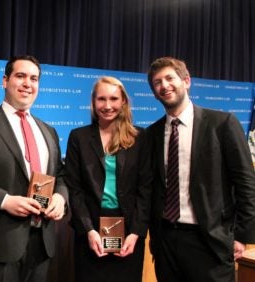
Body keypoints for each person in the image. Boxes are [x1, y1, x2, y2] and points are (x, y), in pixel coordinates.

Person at [0, 55, 68, 282]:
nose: (28, 83)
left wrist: (60, 196)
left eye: (34, 78)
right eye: (20, 76)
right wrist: (4, 200)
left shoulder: (48, 131)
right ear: (5, 81)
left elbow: (60, 175)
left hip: (43, 245)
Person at [146, 56, 255, 282]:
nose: (164, 85)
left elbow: (246, 184)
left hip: (210, 241)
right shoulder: (152, 134)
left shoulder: (223, 124)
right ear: (154, 92)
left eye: (169, 78)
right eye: (157, 82)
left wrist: (241, 236)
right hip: (166, 242)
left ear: (187, 81)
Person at [64, 76, 153, 282]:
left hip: (129, 233)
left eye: (113, 99)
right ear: (93, 102)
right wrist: (88, 230)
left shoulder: (140, 137)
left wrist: (136, 233)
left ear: (123, 102)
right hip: (90, 232)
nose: (107, 105)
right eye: (101, 99)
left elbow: (146, 189)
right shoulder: (78, 137)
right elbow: (74, 189)